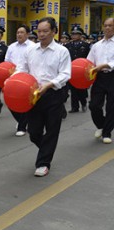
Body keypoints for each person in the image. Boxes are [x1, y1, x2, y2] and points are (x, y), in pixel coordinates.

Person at [16, 17, 71, 177]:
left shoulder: (62, 51)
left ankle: (43, 163)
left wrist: (49, 85)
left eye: (45, 31)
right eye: (39, 31)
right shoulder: (31, 50)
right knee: (34, 132)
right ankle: (46, 149)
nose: (41, 34)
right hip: (33, 95)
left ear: (54, 31)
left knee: (52, 130)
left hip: (53, 94)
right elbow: (22, 68)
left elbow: (66, 74)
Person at [87, 17, 114, 144]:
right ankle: (102, 125)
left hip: (112, 75)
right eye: (106, 25)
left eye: (110, 25)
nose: (107, 28)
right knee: (94, 105)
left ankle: (107, 133)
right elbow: (89, 62)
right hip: (99, 77)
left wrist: (105, 65)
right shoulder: (96, 45)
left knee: (111, 107)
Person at [5, 24, 35, 136]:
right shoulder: (11, 46)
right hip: (13, 77)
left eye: (22, 32)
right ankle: (21, 121)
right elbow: (7, 62)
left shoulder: (33, 46)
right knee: (10, 101)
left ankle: (22, 127)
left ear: (27, 34)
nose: (19, 34)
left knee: (24, 101)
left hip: (26, 77)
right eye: (17, 32)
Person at [65, 26, 90, 113]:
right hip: (71, 70)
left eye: (76, 34)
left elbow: (89, 59)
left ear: (80, 35)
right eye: (73, 34)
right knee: (73, 89)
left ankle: (83, 103)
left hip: (82, 71)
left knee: (81, 89)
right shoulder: (67, 46)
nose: (74, 36)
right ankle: (74, 107)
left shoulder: (85, 45)